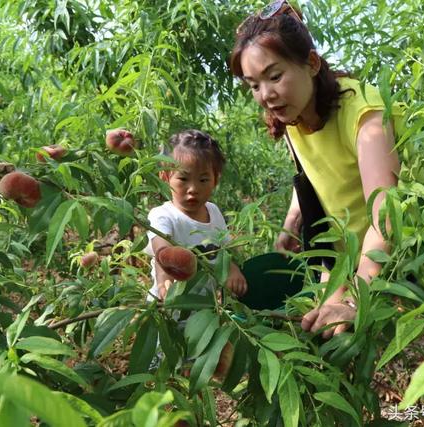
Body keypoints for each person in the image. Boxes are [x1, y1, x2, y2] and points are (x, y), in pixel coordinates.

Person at [230, 0, 402, 338]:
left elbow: (388, 216)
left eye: (274, 76)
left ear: (311, 63)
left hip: (392, 259)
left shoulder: (365, 117)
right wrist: (291, 222)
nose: (265, 95)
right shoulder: (293, 116)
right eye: (253, 85)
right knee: (316, 334)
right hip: (340, 255)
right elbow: (312, 177)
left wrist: (354, 300)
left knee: (359, 338)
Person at [145, 129, 248, 301]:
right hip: (166, 306)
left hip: (204, 308)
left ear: (216, 180)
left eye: (203, 180)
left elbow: (225, 249)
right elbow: (162, 250)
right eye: (183, 179)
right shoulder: (162, 215)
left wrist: (232, 268)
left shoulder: (213, 211)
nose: (193, 189)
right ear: (165, 177)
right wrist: (164, 279)